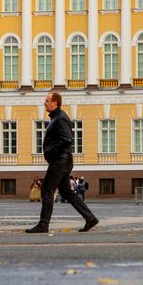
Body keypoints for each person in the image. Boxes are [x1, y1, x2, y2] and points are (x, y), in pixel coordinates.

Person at [26, 90, 98, 234]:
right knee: (67, 192)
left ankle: (43, 224)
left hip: (60, 161)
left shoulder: (60, 118)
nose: (44, 103)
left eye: (47, 100)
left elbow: (67, 139)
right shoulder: (56, 117)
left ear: (55, 103)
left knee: (47, 190)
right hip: (62, 160)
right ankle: (90, 218)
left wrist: (50, 151)